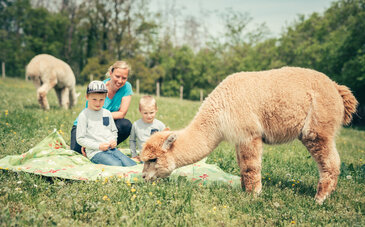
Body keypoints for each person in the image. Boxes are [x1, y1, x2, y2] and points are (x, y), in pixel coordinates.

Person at [71, 61, 133, 154]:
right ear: (111, 73)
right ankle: (97, 147)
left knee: (126, 125)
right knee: (77, 151)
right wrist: (88, 143)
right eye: (117, 76)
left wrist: (104, 116)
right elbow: (91, 115)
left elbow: (122, 113)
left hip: (106, 124)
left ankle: (107, 147)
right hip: (88, 124)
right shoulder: (99, 87)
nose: (120, 81)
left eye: (124, 78)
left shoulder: (127, 87)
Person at [76, 80, 136, 166]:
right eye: (94, 99)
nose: (98, 103)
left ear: (105, 97)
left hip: (111, 149)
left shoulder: (107, 113)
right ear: (87, 97)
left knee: (131, 164)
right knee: (117, 165)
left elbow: (114, 131)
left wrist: (114, 141)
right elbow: (80, 139)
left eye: (101, 99)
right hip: (95, 152)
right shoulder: (84, 115)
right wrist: (98, 146)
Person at [129, 95, 166, 161]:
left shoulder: (160, 125)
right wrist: (134, 154)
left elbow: (166, 141)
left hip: (157, 156)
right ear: (140, 111)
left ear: (156, 110)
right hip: (143, 156)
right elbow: (132, 140)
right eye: (145, 113)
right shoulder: (136, 125)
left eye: (151, 113)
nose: (149, 116)